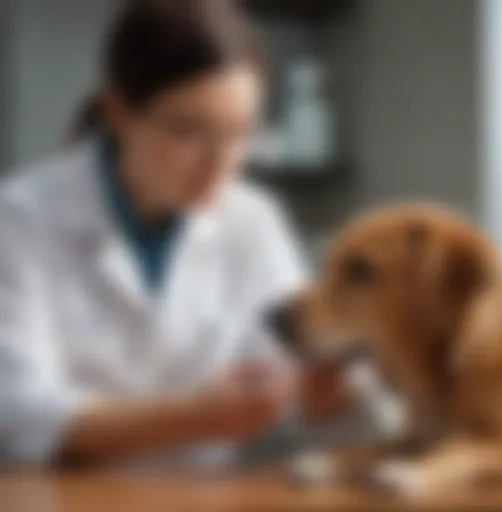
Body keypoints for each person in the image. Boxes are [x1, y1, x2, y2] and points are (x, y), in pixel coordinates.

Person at [0, 0, 307, 469]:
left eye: (240, 133)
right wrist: (194, 416)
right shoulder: (21, 217)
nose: (221, 165)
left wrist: (321, 391)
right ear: (119, 111)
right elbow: (16, 413)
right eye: (190, 132)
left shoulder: (254, 221)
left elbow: (294, 389)